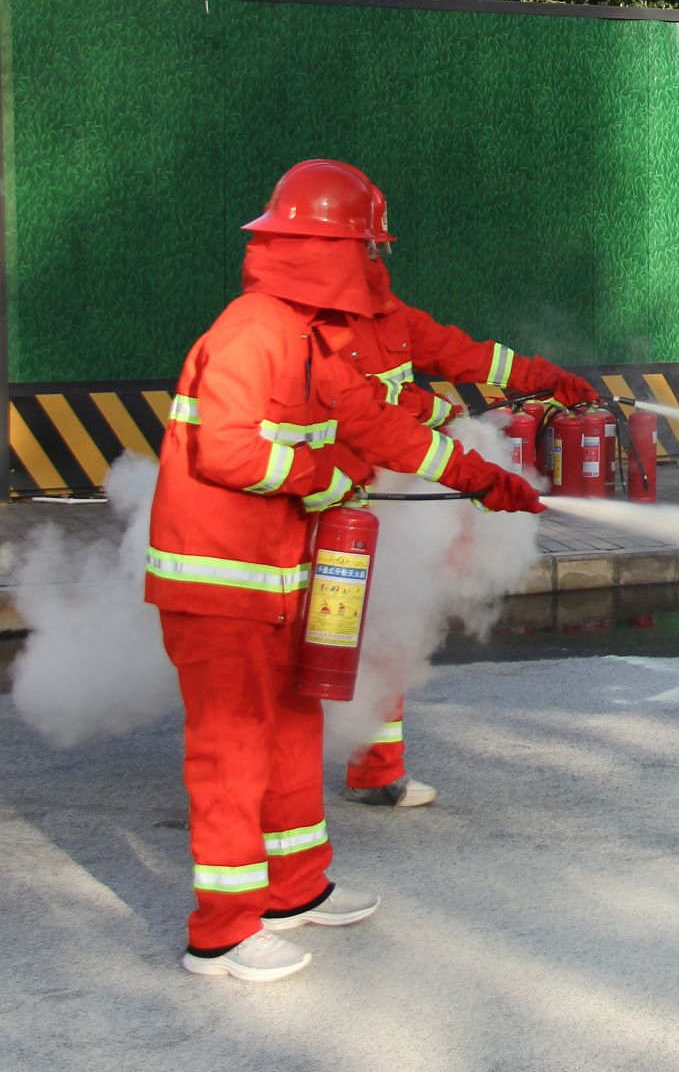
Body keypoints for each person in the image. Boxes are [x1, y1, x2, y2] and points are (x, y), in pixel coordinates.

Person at [147, 160, 544, 984]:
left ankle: (295, 889)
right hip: (220, 583)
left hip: (276, 576)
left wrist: (482, 478)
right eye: (365, 248)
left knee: (294, 727)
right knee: (232, 751)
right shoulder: (253, 331)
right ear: (325, 250)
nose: (373, 264)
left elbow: (377, 425)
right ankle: (221, 932)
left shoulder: (308, 337)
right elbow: (226, 450)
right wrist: (320, 476)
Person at [289, 160, 598, 808]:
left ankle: (377, 770)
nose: (377, 256)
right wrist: (451, 442)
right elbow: (367, 416)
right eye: (367, 245)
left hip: (378, 507)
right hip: (312, 510)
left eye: (377, 246)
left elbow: (467, 355)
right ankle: (268, 777)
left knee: (392, 626)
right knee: (305, 646)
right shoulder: (302, 331)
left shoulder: (390, 317)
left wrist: (543, 378)